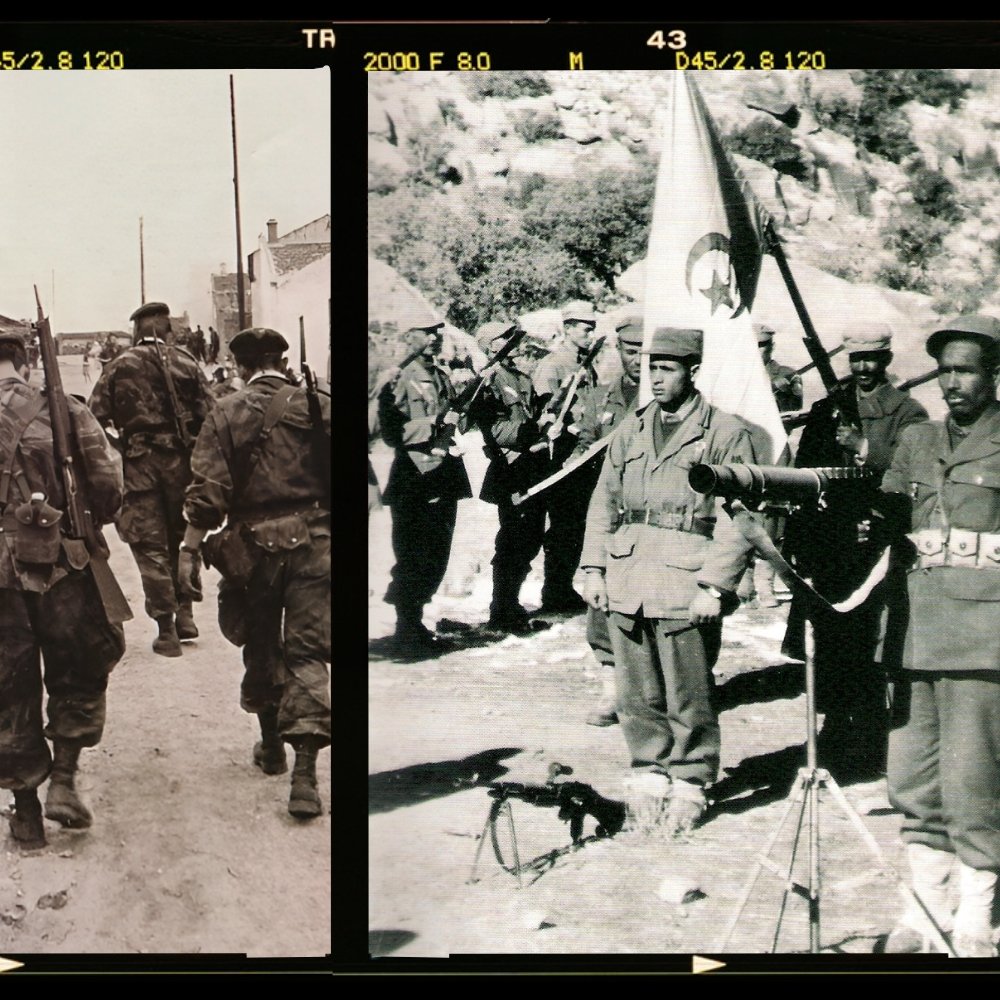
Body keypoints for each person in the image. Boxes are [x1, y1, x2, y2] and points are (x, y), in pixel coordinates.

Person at [580, 327, 755, 837]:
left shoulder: (723, 431)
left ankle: (691, 781)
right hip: (628, 572)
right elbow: (602, 500)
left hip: (685, 577)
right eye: (651, 366)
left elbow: (738, 515)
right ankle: (648, 773)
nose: (654, 377)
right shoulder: (633, 429)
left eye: (668, 368)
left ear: (692, 371)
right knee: (636, 690)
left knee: (688, 691)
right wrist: (594, 567)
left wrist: (715, 585)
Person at [880, 314, 1000, 957]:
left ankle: (977, 916)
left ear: (993, 375)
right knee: (914, 778)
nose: (953, 383)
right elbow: (890, 515)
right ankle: (922, 912)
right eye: (945, 371)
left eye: (966, 371)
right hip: (915, 629)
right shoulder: (917, 441)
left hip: (985, 635)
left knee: (975, 783)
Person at [178, 327, 331, 820]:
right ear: (282, 360)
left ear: (240, 365)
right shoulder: (319, 402)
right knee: (308, 650)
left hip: (254, 547)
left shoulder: (226, 411)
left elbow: (208, 491)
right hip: (317, 541)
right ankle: (305, 776)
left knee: (262, 642)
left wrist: (189, 549)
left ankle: (271, 747)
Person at [0, 328, 126, 849]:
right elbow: (108, 488)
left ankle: (24, 810)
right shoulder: (64, 409)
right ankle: (66, 782)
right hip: (60, 565)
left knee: (7, 682)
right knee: (81, 664)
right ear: (25, 362)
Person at [784, 322, 928, 764]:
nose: (863, 368)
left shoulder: (907, 412)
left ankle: (869, 730)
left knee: (872, 639)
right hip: (829, 542)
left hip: (877, 541)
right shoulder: (828, 407)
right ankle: (832, 724)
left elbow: (913, 473)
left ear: (886, 359)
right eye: (856, 359)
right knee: (827, 637)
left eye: (872, 359)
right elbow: (806, 472)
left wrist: (864, 446)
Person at [88, 302, 214, 657]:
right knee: (184, 538)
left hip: (140, 464)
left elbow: (94, 416)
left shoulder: (119, 366)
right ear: (168, 330)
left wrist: (121, 444)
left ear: (136, 332)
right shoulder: (188, 364)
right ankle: (187, 613)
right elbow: (212, 416)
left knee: (149, 545)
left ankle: (167, 629)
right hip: (183, 464)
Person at [379, 319, 472, 654]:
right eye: (427, 332)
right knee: (413, 554)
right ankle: (407, 627)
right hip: (414, 477)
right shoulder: (400, 377)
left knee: (437, 553)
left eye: (438, 333)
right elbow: (391, 431)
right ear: (409, 336)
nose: (435, 338)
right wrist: (432, 425)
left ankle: (416, 624)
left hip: (444, 475)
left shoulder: (440, 375)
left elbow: (455, 417)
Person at [575, 314, 643, 726]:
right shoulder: (600, 397)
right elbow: (586, 442)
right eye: (630, 351)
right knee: (602, 604)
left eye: (643, 352)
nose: (637, 360)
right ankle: (611, 690)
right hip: (610, 516)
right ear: (619, 351)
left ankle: (657, 691)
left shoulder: (664, 399)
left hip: (651, 515)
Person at [471, 321, 548, 633]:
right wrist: (530, 430)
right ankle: (501, 607)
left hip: (532, 467)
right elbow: (491, 426)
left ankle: (511, 603)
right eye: (506, 338)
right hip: (510, 469)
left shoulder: (519, 377)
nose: (514, 342)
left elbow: (528, 415)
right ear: (491, 345)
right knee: (512, 540)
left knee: (530, 537)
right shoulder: (488, 381)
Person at [531, 299, 602, 613]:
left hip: (583, 455)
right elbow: (546, 413)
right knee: (562, 526)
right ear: (568, 328)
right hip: (561, 458)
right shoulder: (554, 364)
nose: (589, 334)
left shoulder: (587, 364)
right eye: (585, 329)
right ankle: (553, 590)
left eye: (592, 329)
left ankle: (562, 587)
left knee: (576, 525)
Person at [737, 323, 803, 608]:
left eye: (762, 345)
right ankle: (744, 577)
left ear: (770, 346)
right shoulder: (736, 374)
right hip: (743, 446)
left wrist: (784, 391)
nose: (757, 350)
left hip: (775, 449)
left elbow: (796, 410)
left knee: (775, 513)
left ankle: (765, 581)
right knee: (742, 506)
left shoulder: (787, 375)